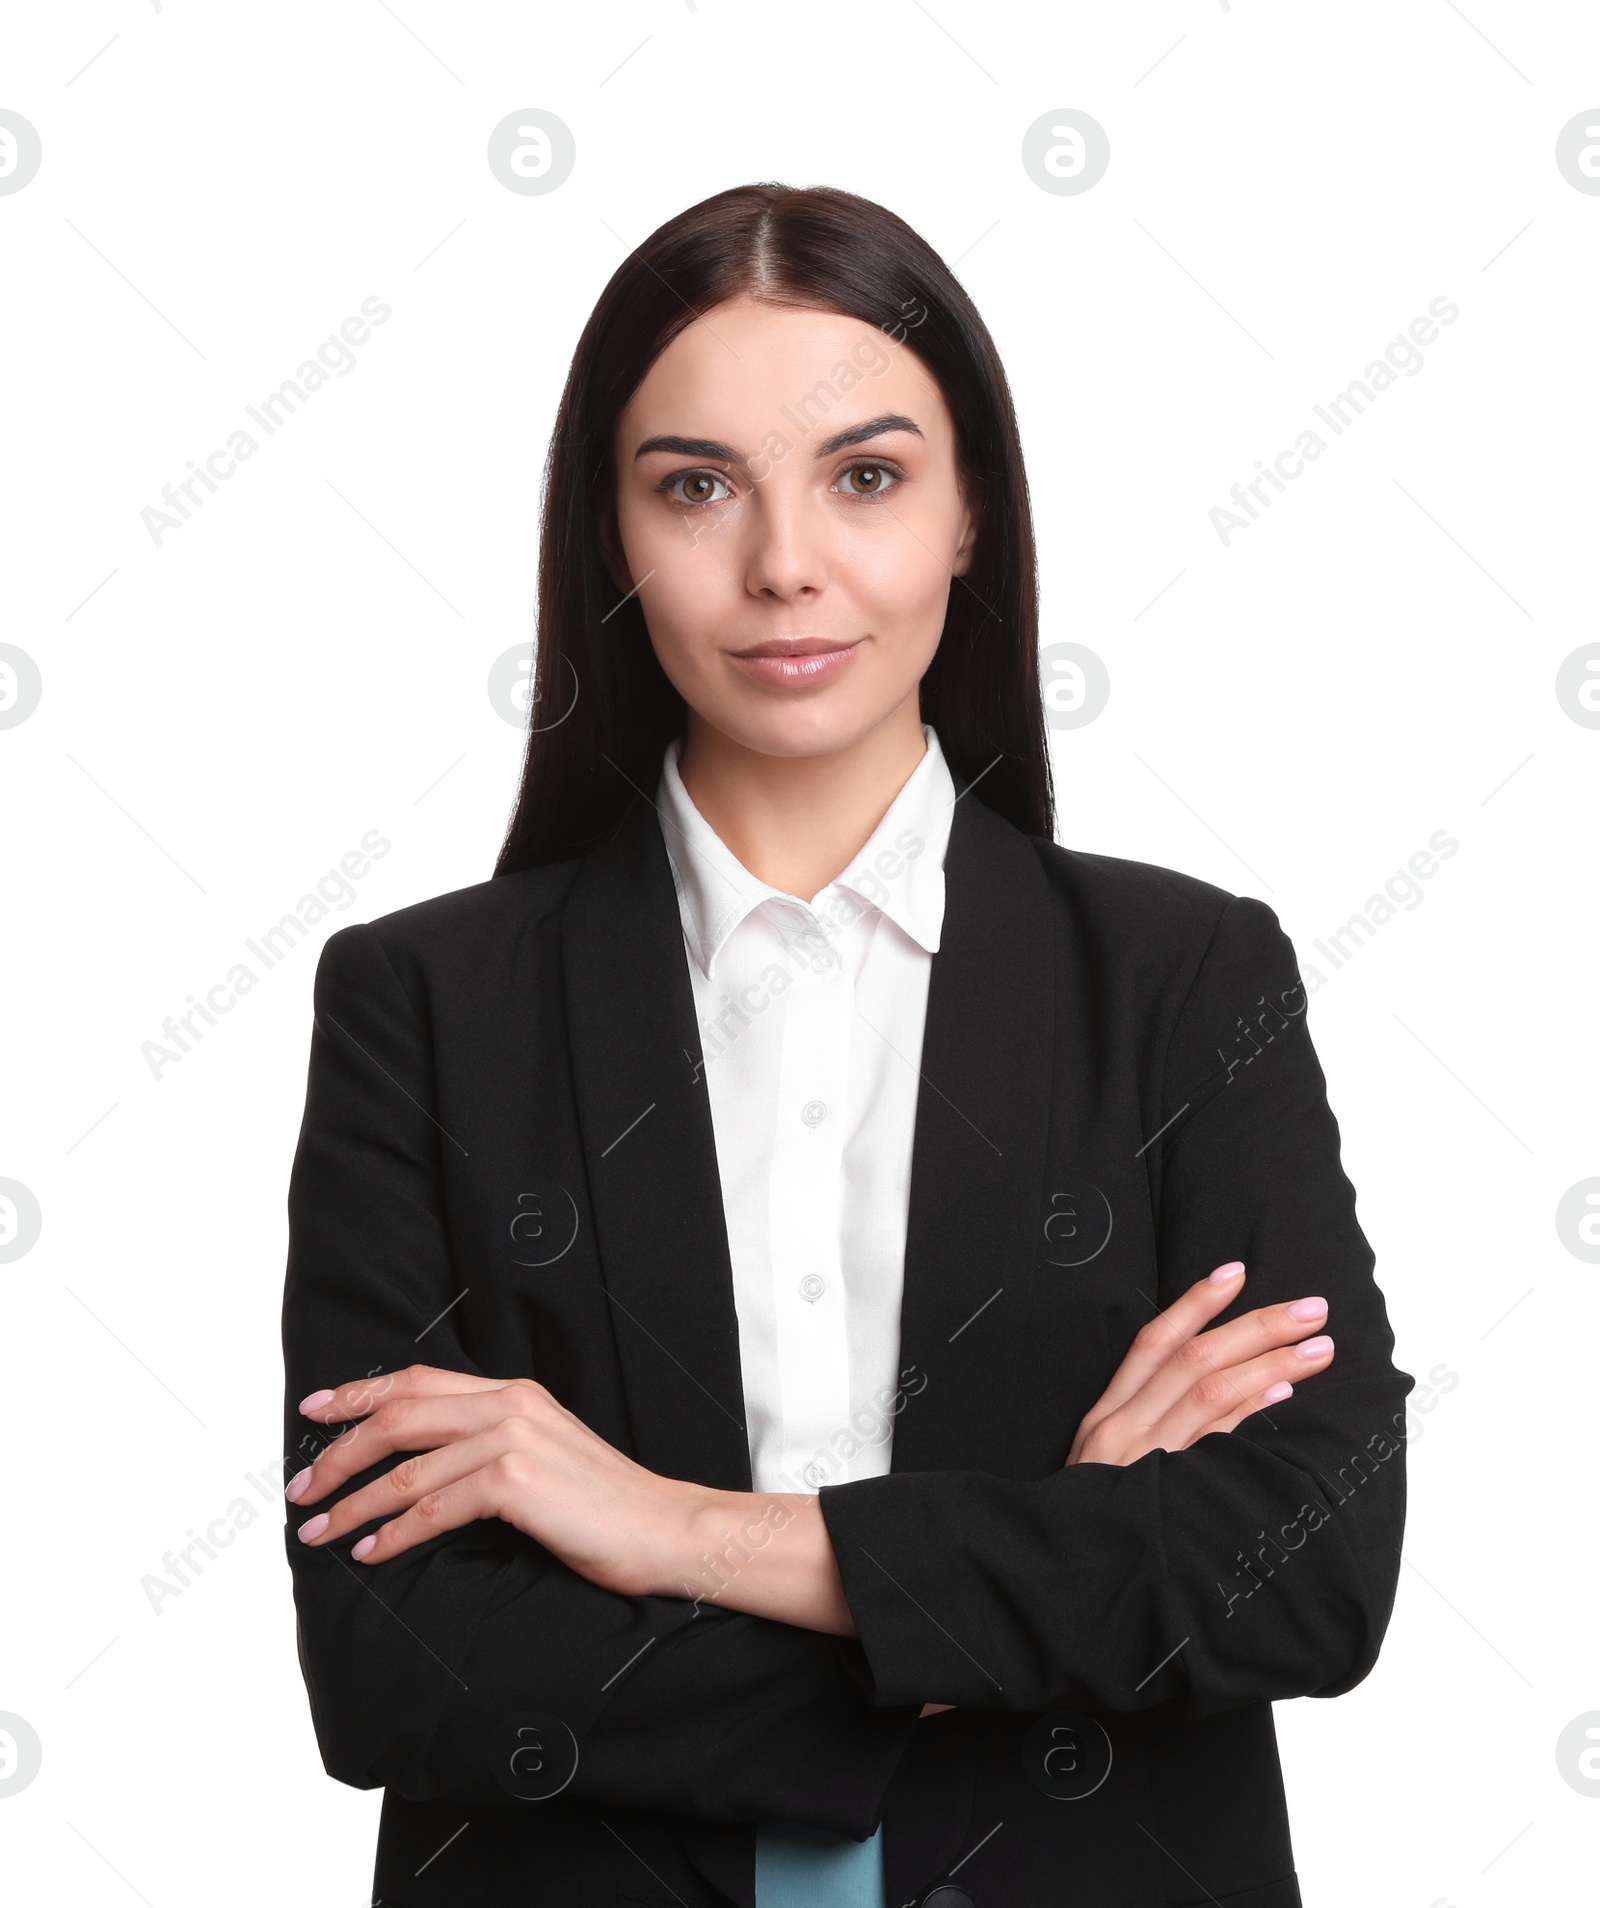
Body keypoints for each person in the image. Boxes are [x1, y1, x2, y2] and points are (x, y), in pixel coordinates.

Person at [281, 184, 1410, 1908]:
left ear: (971, 518)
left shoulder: (1185, 976)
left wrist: (664, 1530)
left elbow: (1311, 1573)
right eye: (695, 486)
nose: (785, 562)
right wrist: (1045, 1562)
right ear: (611, 532)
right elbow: (401, 1668)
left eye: (866, 477)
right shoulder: (426, 1005)